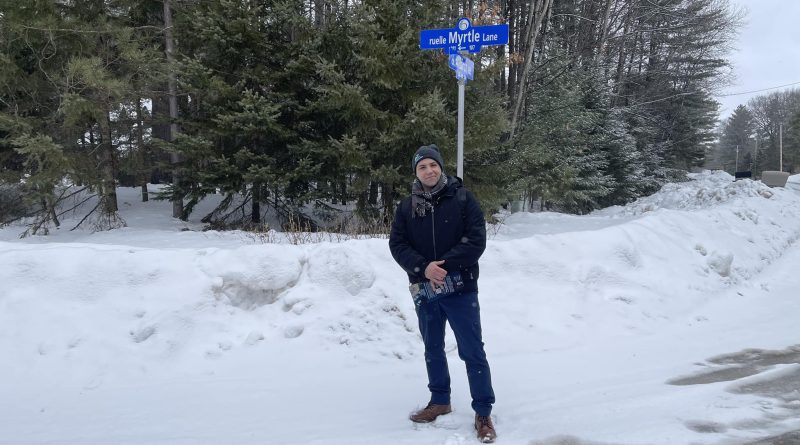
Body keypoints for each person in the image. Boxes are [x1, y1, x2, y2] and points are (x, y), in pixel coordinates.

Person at [389, 144, 497, 443]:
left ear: (441, 167)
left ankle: (483, 411)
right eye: (422, 167)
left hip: (461, 288)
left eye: (433, 165)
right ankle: (440, 400)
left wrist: (444, 266)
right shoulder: (406, 206)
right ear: (416, 173)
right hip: (425, 288)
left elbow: (476, 241)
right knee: (433, 347)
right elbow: (397, 245)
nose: (429, 171)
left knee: (472, 350)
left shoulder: (463, 199)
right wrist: (424, 268)